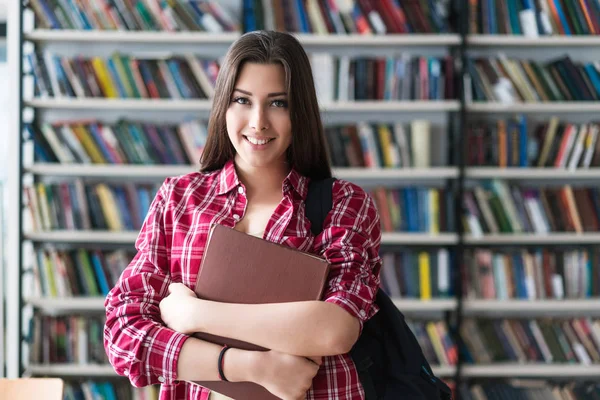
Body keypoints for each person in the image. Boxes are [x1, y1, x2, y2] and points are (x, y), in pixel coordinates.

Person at [103, 30, 382, 400]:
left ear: (300, 111)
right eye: (242, 100)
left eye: (278, 103)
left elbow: (334, 330)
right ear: (224, 105)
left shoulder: (343, 204)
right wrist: (251, 367)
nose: (258, 122)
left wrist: (194, 314)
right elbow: (124, 334)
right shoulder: (179, 199)